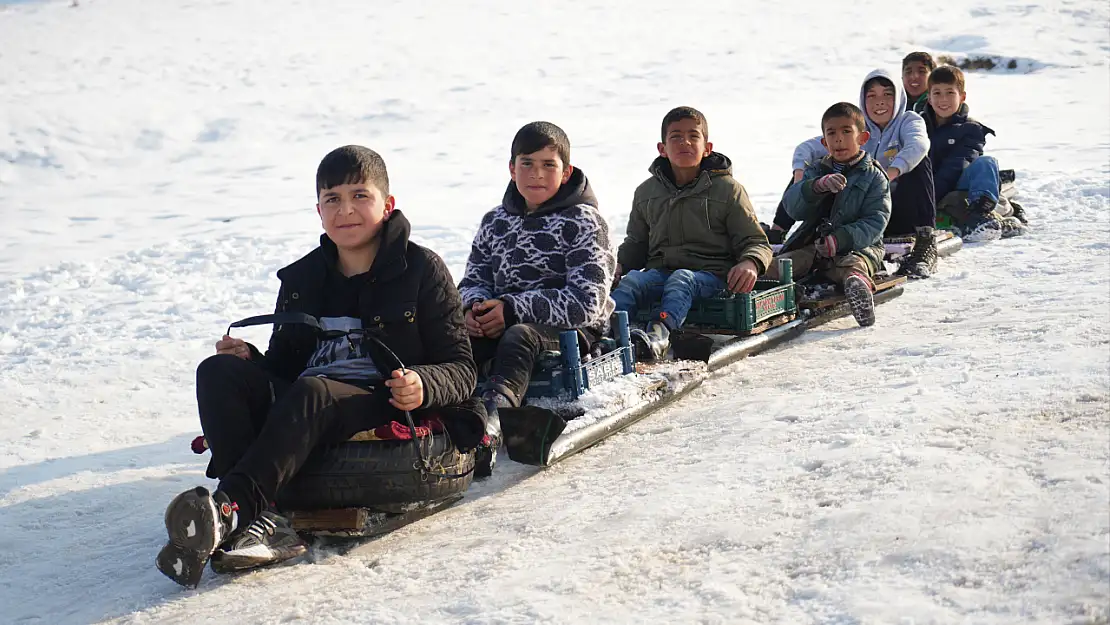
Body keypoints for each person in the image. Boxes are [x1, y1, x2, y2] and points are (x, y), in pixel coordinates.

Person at [156, 146, 485, 588]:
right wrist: (250, 361)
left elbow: (462, 369)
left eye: (359, 196)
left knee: (314, 392)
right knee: (216, 371)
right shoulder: (302, 279)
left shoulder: (421, 270)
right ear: (318, 210)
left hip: (382, 400)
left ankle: (232, 508)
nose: (345, 210)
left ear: (387, 205)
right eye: (332, 199)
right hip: (308, 399)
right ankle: (264, 520)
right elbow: (287, 367)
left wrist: (423, 383)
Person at [458, 121, 615, 477]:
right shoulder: (494, 222)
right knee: (455, 340)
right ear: (512, 169)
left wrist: (512, 309)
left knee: (519, 336)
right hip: (499, 320)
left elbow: (587, 301)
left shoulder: (584, 221)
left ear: (566, 171)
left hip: (572, 331)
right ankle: (446, 417)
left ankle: (492, 426)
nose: (536, 174)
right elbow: (473, 278)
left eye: (548, 164)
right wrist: (474, 307)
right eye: (527, 163)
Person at [613, 106, 772, 361]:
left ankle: (659, 335)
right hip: (661, 273)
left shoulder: (728, 190)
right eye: (675, 136)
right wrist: (619, 265)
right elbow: (637, 242)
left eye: (693, 136)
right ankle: (606, 334)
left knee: (682, 279)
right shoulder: (646, 193)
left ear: (707, 147)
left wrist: (750, 262)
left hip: (712, 277)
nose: (684, 142)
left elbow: (755, 241)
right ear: (662, 148)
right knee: (633, 282)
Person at [771, 69, 936, 278]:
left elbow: (918, 145)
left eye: (887, 94)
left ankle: (925, 238)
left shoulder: (908, 120)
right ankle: (777, 230)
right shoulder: (852, 127)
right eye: (872, 96)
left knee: (919, 163)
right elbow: (806, 149)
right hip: (853, 213)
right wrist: (800, 178)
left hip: (888, 208)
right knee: (813, 171)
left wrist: (887, 174)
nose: (880, 102)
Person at [768, 102, 891, 327]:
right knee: (777, 267)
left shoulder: (874, 177)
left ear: (863, 138)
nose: (839, 139)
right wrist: (815, 187)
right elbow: (793, 207)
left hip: (857, 248)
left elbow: (876, 221)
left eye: (846, 131)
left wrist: (840, 239)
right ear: (824, 142)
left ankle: (859, 292)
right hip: (814, 247)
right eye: (831, 133)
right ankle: (762, 293)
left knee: (853, 268)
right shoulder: (816, 170)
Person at [923, 65, 1010, 242]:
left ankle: (979, 214)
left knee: (986, 162)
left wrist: (931, 196)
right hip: (926, 190)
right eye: (937, 93)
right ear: (929, 98)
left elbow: (958, 164)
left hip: (958, 188)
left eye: (950, 93)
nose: (943, 99)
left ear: (962, 97)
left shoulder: (971, 129)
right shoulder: (918, 125)